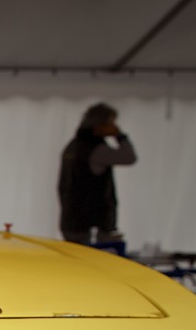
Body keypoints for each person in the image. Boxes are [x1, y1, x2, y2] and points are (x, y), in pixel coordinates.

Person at [58, 102, 137, 245]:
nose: (114, 126)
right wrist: (120, 136)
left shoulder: (72, 146)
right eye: (111, 122)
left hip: (71, 219)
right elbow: (129, 158)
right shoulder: (96, 149)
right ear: (100, 124)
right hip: (92, 223)